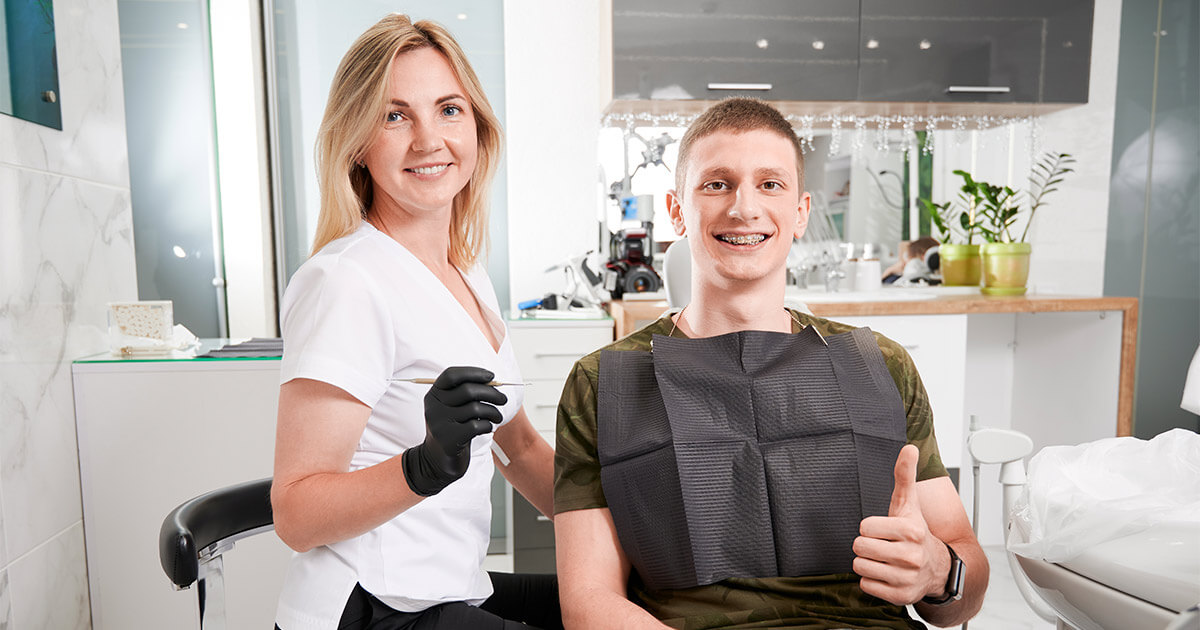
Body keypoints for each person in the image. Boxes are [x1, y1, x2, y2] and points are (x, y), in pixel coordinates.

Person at [554, 98, 987, 630]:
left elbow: (964, 591)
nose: (744, 208)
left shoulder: (882, 367)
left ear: (801, 211)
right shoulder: (604, 383)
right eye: (716, 184)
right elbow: (588, 601)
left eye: (770, 184)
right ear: (675, 210)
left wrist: (939, 572)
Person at [271, 14, 560, 630]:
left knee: (631, 603)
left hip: (450, 587)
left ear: (478, 129)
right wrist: (423, 464)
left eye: (449, 110)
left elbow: (523, 449)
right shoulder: (346, 280)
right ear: (356, 141)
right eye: (394, 115)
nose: (429, 139)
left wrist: (642, 532)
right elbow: (295, 514)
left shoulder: (465, 270)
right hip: (372, 606)